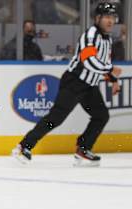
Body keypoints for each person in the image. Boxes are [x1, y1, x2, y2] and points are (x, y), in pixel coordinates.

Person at [12, 2, 122, 167]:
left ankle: (83, 149)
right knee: (56, 118)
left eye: (112, 17)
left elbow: (102, 63)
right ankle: (24, 146)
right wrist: (111, 70)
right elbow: (89, 61)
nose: (110, 21)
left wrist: (112, 79)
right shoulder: (91, 35)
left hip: (89, 85)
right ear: (97, 18)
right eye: (106, 17)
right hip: (74, 82)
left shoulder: (107, 39)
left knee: (101, 115)